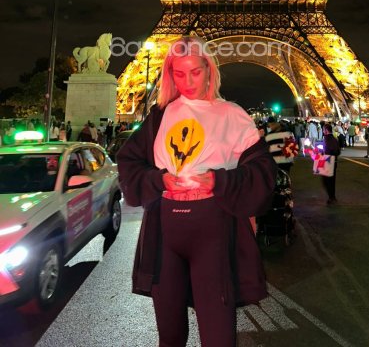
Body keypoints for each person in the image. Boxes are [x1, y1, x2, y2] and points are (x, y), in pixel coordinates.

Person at [117, 36, 277, 347]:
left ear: (209, 69)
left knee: (218, 337)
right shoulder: (160, 116)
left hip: (212, 230)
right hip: (165, 229)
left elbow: (263, 171)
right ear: (170, 74)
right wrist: (159, 180)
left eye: (195, 72)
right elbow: (128, 161)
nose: (188, 82)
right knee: (169, 337)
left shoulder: (232, 114)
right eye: (179, 73)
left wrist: (219, 181)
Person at [321, 123, 341, 205]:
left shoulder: (327, 139)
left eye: (323, 130)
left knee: (326, 181)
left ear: (326, 130)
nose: (323, 131)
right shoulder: (334, 138)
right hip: (334, 162)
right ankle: (333, 197)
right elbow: (338, 151)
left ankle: (331, 197)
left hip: (328, 162)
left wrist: (323, 153)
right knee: (332, 181)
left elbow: (327, 151)